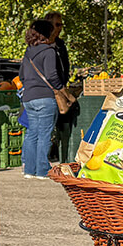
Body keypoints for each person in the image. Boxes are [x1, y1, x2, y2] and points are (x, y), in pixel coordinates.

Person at [19, 19, 64, 180]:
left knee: (32, 133)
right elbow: (52, 75)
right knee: (44, 134)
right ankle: (42, 170)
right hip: (45, 97)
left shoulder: (28, 52)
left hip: (28, 97)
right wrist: (60, 88)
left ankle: (29, 169)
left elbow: (21, 76)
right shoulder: (49, 51)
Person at [45, 11, 79, 160]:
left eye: (61, 25)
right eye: (57, 24)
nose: (60, 28)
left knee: (60, 125)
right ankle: (40, 163)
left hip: (60, 89)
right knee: (45, 130)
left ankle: (61, 156)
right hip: (47, 91)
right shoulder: (42, 45)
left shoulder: (60, 44)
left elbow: (65, 66)